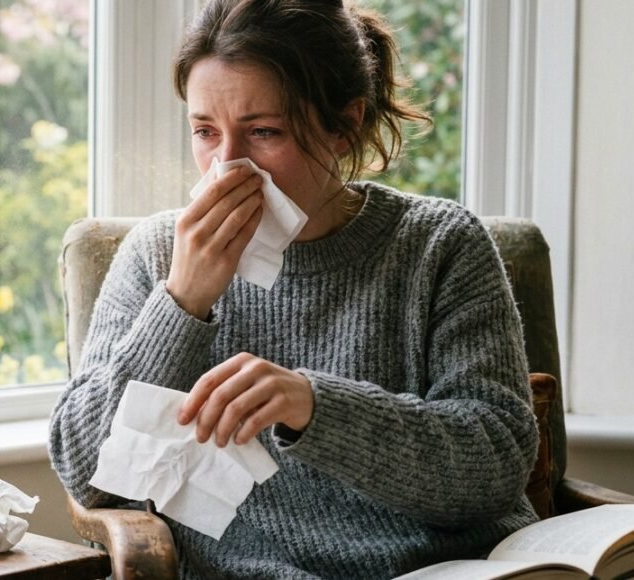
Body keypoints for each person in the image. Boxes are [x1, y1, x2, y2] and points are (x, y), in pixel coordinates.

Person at [47, 0, 539, 578]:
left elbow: (496, 461)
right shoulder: (158, 255)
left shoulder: (439, 244)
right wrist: (182, 302)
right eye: (205, 132)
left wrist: (315, 406)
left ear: (344, 125)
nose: (226, 166)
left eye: (263, 132)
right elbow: (86, 470)